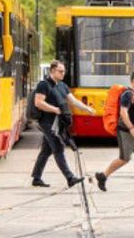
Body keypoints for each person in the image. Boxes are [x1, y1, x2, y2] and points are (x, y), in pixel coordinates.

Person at [30, 59, 95, 188]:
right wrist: (55, 110)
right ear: (52, 71)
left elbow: (73, 101)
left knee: (46, 151)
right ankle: (70, 178)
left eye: (64, 71)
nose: (63, 73)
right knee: (58, 148)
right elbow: (38, 102)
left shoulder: (62, 85)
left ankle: (36, 178)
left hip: (57, 122)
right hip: (47, 122)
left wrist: (87, 109)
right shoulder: (44, 85)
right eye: (60, 71)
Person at [95, 71, 134, 193]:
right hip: (126, 131)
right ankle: (103, 176)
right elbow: (123, 113)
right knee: (124, 158)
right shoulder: (127, 95)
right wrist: (131, 128)